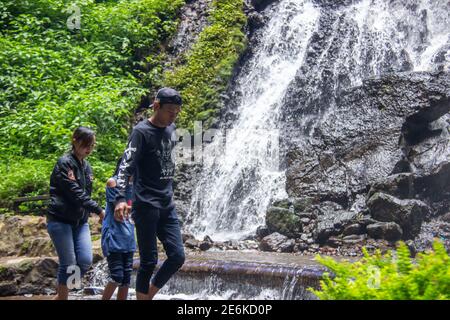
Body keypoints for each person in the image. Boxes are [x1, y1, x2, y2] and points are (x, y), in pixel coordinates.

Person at [114, 87, 185, 300]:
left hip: (167, 204)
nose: (173, 115)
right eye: (170, 110)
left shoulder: (172, 129)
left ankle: (147, 296)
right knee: (148, 261)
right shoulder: (141, 132)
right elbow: (125, 166)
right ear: (156, 106)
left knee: (177, 256)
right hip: (145, 204)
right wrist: (120, 198)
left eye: (177, 111)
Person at [46, 126, 105, 300]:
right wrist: (98, 210)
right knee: (69, 263)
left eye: (92, 145)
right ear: (75, 141)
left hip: (80, 222)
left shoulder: (87, 167)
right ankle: (63, 297)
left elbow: (86, 195)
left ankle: (60, 296)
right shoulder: (64, 163)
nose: (89, 149)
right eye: (86, 144)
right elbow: (75, 193)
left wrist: (93, 211)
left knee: (85, 261)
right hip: (59, 220)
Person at [101, 157, 136, 300]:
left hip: (128, 238)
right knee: (117, 276)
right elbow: (119, 207)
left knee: (126, 279)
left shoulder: (135, 186)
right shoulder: (113, 183)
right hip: (114, 236)